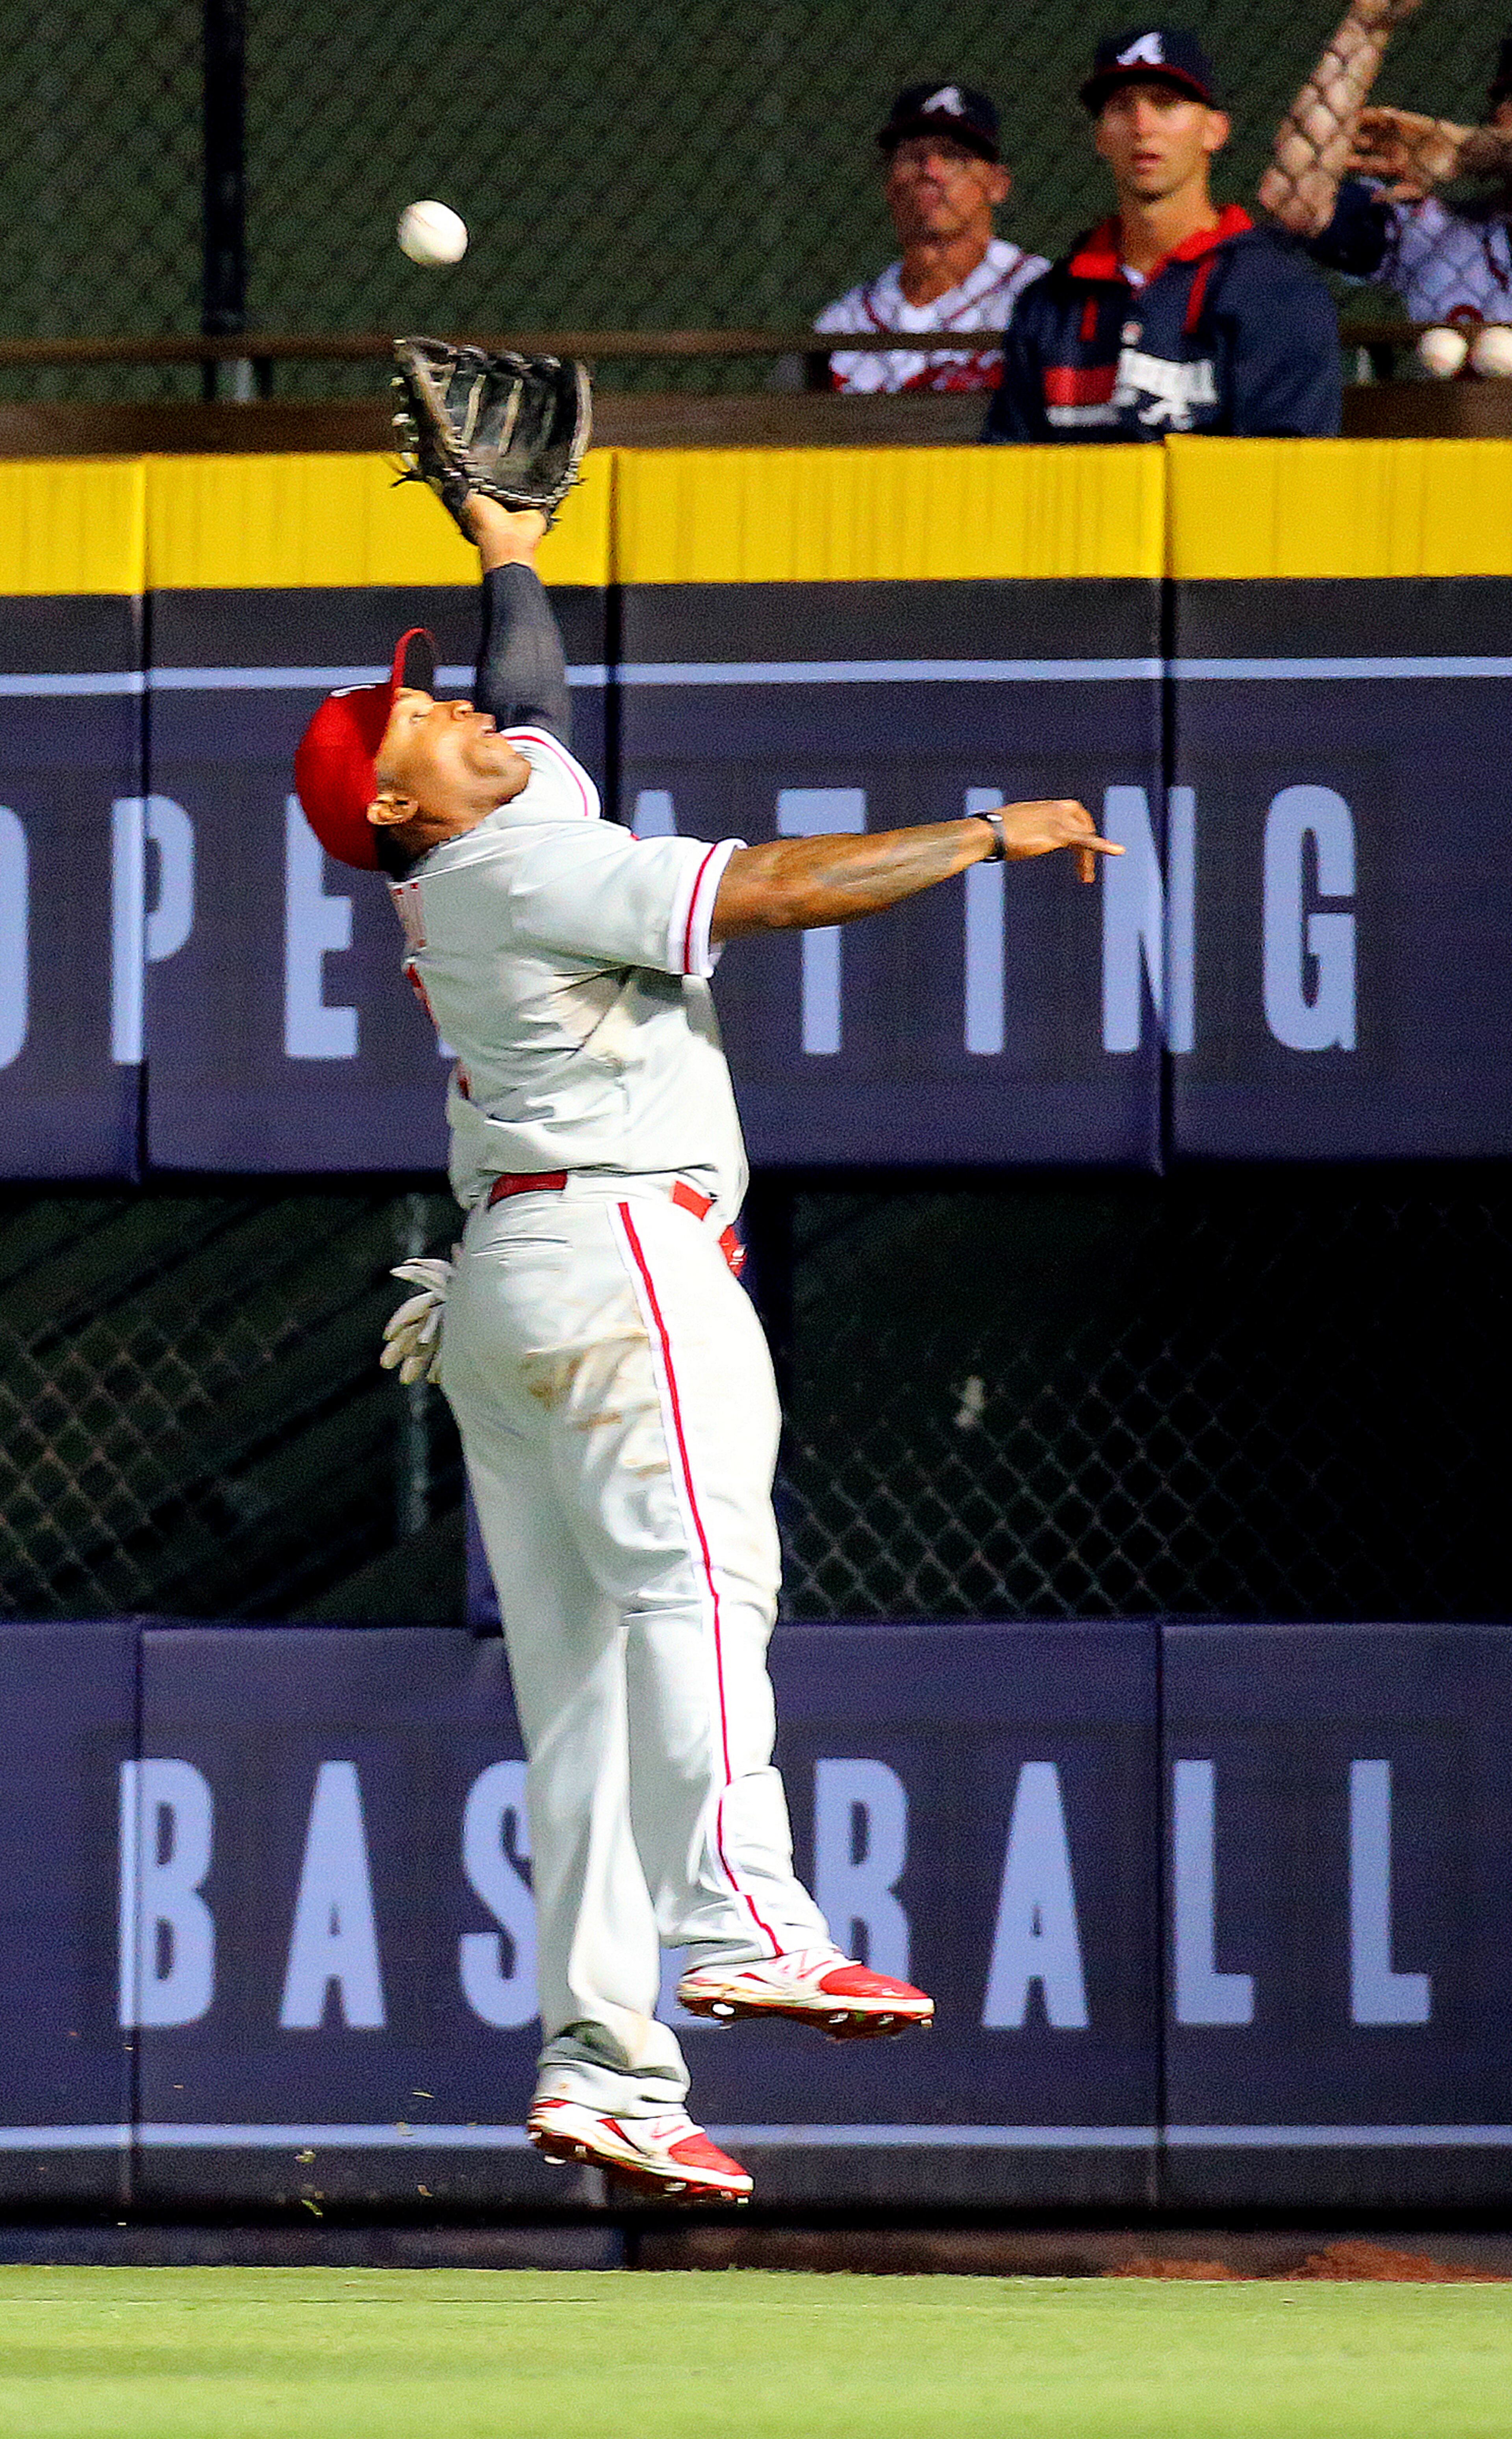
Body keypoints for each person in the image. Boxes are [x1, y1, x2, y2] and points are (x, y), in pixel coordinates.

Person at [292, 485, 1120, 2203]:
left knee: (584, 1698)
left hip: (514, 1282)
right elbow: (771, 885)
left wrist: (510, 543)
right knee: (704, 1584)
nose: (451, 705)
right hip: (616, 1254)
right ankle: (746, 1917)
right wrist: (986, 834)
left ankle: (604, 2066)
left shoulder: (492, 823)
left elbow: (531, 700)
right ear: (389, 803)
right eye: (412, 717)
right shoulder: (516, 862)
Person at [984, 28, 1342, 440]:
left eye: (1166, 103)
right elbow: (1013, 463)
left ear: (1215, 130)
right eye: (1121, 107)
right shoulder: (1050, 304)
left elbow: (1281, 478)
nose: (1142, 125)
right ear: (1101, 137)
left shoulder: (1276, 292)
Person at [1262, 2, 1512, 326]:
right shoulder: (1437, 232)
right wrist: (1364, 29)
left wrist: (1472, 151)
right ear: (1497, 114)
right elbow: (1292, 199)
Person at [815, 83, 1049, 392]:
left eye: (954, 158)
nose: (931, 171)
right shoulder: (846, 321)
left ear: (997, 184)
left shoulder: (1042, 297)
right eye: (913, 156)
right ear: (890, 185)